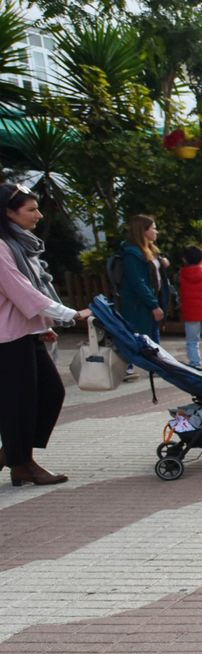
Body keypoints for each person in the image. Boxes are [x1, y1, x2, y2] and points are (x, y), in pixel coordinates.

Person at [0, 183, 90, 486]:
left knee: (51, 392)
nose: (38, 214)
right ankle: (21, 462)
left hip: (25, 331)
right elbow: (21, 292)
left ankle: (12, 454)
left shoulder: (20, 243)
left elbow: (33, 289)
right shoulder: (1, 246)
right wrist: (70, 315)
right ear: (9, 213)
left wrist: (43, 325)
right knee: (19, 402)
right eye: (31, 209)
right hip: (7, 337)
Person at [118, 215, 165, 354]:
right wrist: (153, 304)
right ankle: (129, 366)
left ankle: (157, 364)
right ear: (143, 231)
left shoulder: (149, 250)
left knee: (152, 339)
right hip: (139, 305)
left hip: (148, 302)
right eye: (154, 228)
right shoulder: (132, 254)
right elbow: (138, 282)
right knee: (137, 337)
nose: (156, 232)